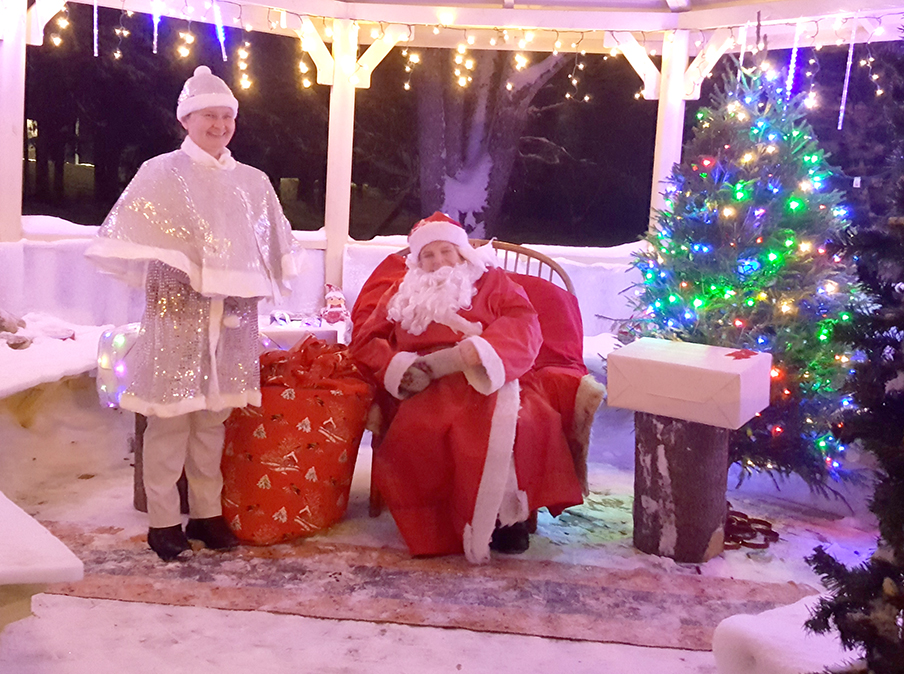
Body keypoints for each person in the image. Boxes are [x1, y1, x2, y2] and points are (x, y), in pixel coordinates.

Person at [86, 66, 299, 562]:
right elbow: (136, 232)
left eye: (227, 116)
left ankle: (207, 512)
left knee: (212, 422)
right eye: (209, 115)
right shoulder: (161, 173)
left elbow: (273, 241)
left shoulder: (252, 182)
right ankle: (163, 520)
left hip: (231, 319)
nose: (220, 125)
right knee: (168, 420)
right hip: (177, 312)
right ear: (186, 119)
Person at [350, 213, 588, 563]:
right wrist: (399, 368)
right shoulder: (401, 292)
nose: (438, 261)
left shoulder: (492, 280)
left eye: (446, 251)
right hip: (426, 382)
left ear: (462, 252)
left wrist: (474, 353)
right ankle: (442, 523)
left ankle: (507, 519)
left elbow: (524, 324)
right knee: (421, 429)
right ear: (416, 261)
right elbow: (367, 340)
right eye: (428, 255)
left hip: (489, 372)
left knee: (525, 421)